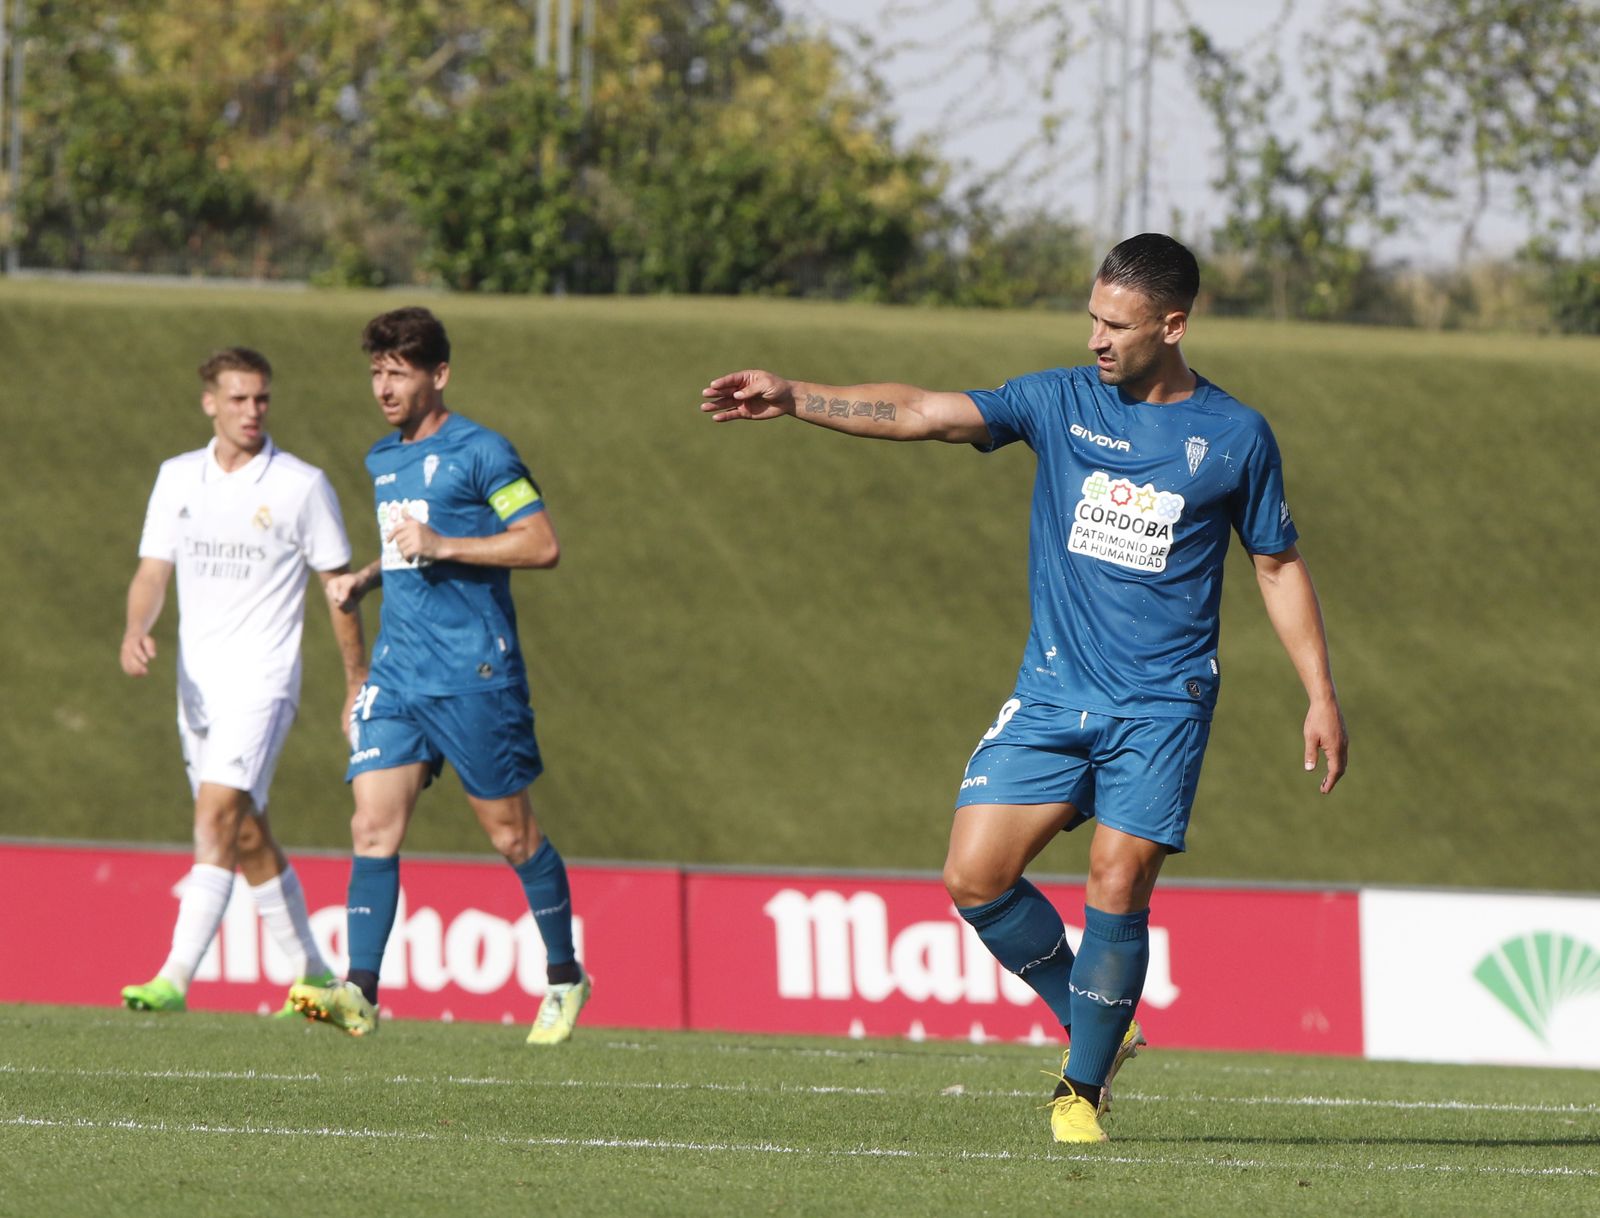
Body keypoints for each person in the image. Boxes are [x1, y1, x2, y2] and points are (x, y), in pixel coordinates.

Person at [700, 233, 1347, 1144]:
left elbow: (1276, 566)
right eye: (1091, 317)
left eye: (1116, 324)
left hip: (1161, 706)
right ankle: (1095, 1023)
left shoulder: (1235, 436)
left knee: (1117, 881)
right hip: (1051, 696)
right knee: (974, 876)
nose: (1096, 338)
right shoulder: (1057, 401)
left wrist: (1319, 692)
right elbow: (922, 411)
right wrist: (796, 396)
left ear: (1173, 324)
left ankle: (1078, 1089)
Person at [288, 306, 590, 1045]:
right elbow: (409, 552)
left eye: (399, 372)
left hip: (474, 673)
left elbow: (540, 544)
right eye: (376, 373)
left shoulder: (483, 452)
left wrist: (445, 542)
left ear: (438, 374)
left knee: (511, 836)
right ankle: (360, 991)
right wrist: (368, 577)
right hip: (400, 675)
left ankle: (563, 975)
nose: (384, 387)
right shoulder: (382, 461)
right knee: (371, 827)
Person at [120, 347, 368, 1015]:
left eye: (261, 398)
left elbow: (339, 590)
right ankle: (314, 974)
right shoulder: (177, 478)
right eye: (238, 399)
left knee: (216, 815)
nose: (252, 410)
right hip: (196, 686)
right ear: (210, 403)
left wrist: (356, 683)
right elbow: (152, 571)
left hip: (263, 680)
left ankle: (173, 978)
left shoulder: (301, 485)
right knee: (246, 832)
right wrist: (135, 628)